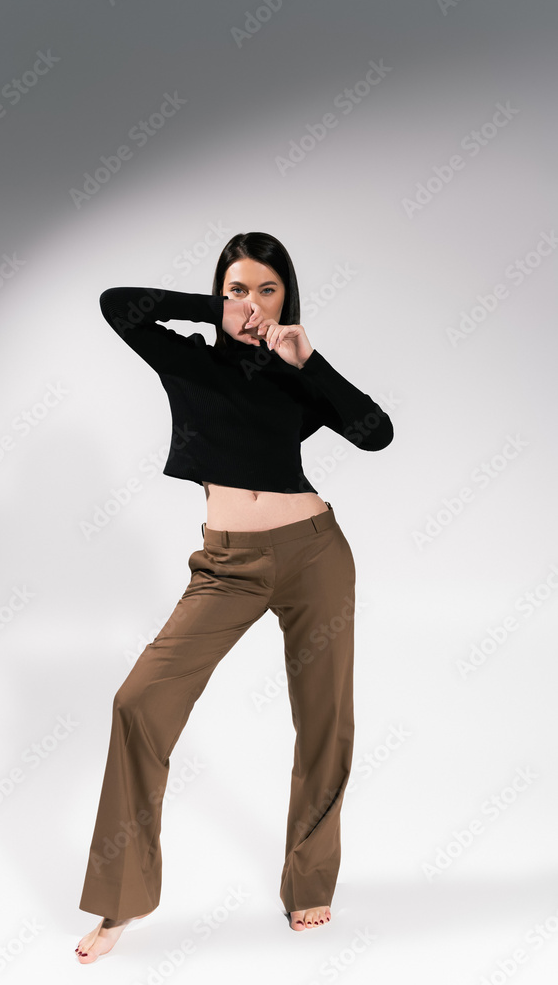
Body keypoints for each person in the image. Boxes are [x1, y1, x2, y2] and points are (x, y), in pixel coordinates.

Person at [75, 232, 394, 963]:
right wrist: (213, 311)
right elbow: (117, 304)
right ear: (220, 293)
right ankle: (124, 898)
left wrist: (309, 360)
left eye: (267, 290)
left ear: (288, 298)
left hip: (315, 554)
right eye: (237, 289)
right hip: (227, 566)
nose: (253, 304)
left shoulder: (293, 371)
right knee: (138, 703)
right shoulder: (186, 356)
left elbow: (375, 434)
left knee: (324, 721)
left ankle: (309, 881)